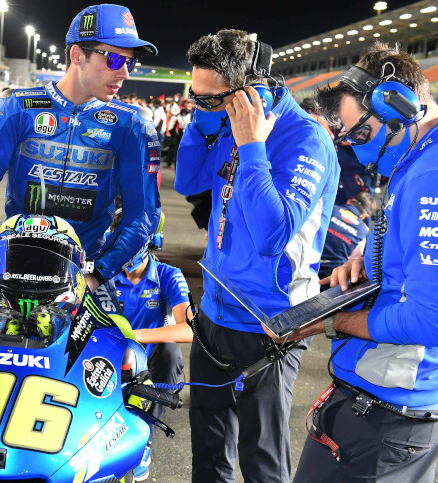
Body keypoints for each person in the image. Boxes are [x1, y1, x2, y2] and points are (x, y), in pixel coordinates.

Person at [175, 29, 339, 482]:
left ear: (251, 90)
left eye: (211, 100)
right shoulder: (225, 121)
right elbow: (188, 181)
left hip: (269, 324)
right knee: (208, 456)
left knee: (262, 462)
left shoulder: (306, 140)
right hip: (213, 313)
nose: (203, 106)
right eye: (196, 97)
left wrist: (252, 148)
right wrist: (205, 123)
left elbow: (272, 234)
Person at [284, 42, 438, 482]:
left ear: (401, 106)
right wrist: (365, 250)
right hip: (385, 411)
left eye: (362, 135)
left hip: (388, 421)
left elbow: (431, 319)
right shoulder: (419, 158)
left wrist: (333, 322)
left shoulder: (430, 173)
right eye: (349, 138)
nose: (359, 152)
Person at [0, 3, 161, 293]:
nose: (125, 73)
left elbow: (143, 213)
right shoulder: (16, 107)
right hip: (9, 271)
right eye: (115, 60)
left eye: (130, 63)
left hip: (85, 278)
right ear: (78, 55)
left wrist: (97, 275)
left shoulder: (131, 124)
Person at [113, 232, 192, 481]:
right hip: (112, 356)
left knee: (171, 352)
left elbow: (190, 328)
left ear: (150, 245)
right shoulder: (104, 272)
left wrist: (135, 335)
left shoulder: (169, 275)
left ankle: (145, 437)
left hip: (149, 361)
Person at [319, 191, 377, 279]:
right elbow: (354, 260)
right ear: (364, 215)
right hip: (332, 275)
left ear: (349, 201)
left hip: (308, 261)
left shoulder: (329, 208)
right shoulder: (364, 231)